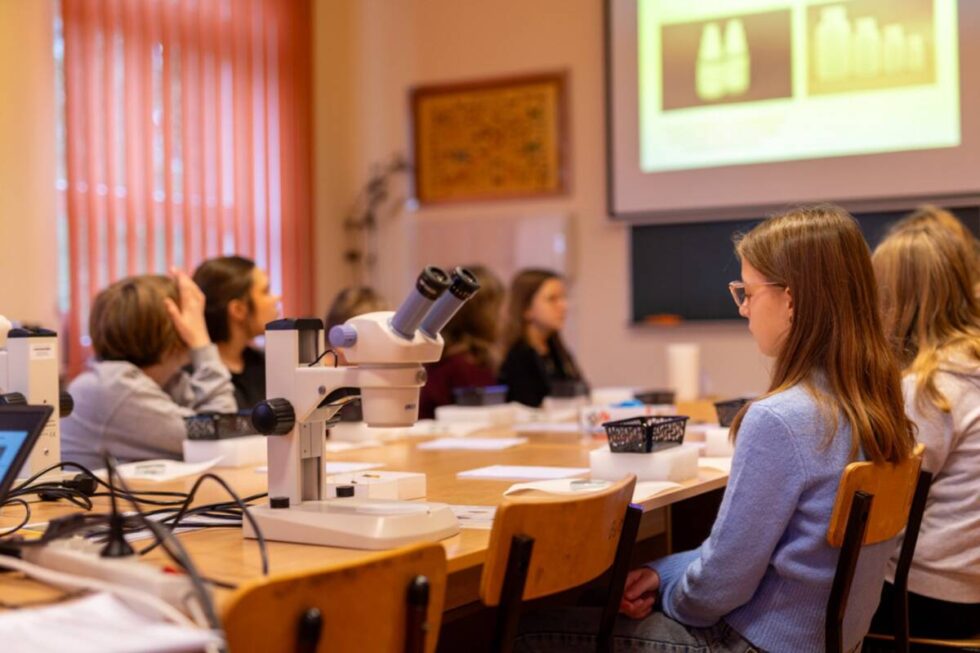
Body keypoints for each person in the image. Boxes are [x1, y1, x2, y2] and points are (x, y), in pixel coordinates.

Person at [516, 206, 915, 653]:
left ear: (790, 299)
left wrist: (667, 594)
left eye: (748, 291)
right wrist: (663, 571)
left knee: (529, 630)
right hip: (833, 642)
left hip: (750, 643)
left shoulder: (780, 419)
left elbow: (719, 588)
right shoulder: (878, 404)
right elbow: (755, 557)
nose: (744, 307)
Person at [869, 221, 980, 638]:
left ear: (896, 301)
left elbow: (883, 504)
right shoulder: (969, 368)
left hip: (927, 598)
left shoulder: (929, 388)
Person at [62, 271, 238, 469]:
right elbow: (218, 437)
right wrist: (201, 343)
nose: (196, 323)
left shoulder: (168, 380)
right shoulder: (115, 387)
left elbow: (221, 429)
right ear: (173, 329)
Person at [192, 256, 280, 410]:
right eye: (266, 291)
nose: (276, 298)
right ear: (238, 310)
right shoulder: (195, 377)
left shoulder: (266, 364)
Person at [419, 265, 504, 419]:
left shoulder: (476, 358)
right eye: (498, 308)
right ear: (478, 314)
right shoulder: (459, 365)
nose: (503, 316)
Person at [498, 269, 586, 407]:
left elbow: (583, 392)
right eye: (552, 299)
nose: (564, 306)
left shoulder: (557, 350)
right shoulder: (516, 358)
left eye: (563, 298)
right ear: (526, 308)